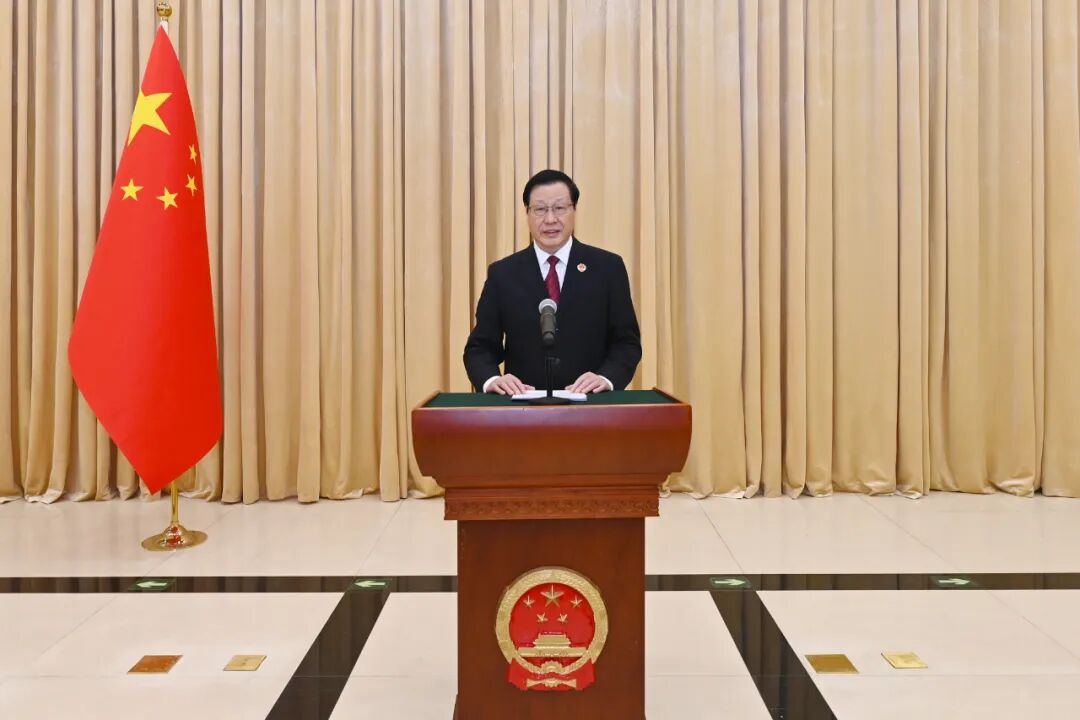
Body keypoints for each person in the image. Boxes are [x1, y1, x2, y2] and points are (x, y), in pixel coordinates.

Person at [463, 169, 642, 395]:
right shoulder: (503, 273)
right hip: (523, 406)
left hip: (592, 405)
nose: (550, 219)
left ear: (574, 210)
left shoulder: (607, 268)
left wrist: (606, 379)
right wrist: (492, 381)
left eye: (559, 208)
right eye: (540, 209)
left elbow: (626, 343)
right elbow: (480, 348)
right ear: (527, 213)